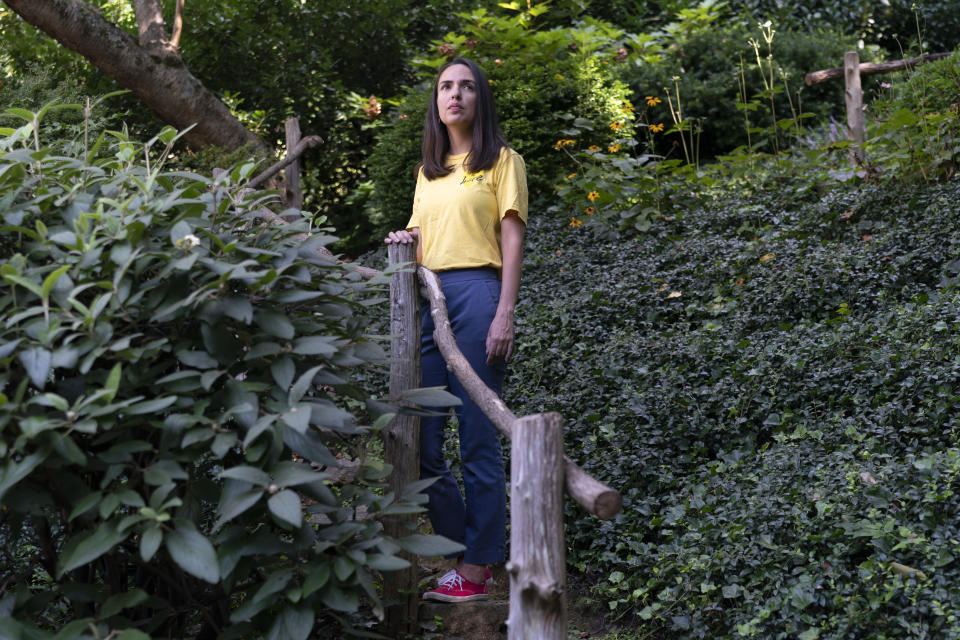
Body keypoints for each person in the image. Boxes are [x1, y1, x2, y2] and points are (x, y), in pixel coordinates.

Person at [384, 57, 528, 603]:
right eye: (446, 86)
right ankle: (456, 554)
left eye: (467, 86)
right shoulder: (429, 170)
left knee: (476, 436)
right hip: (429, 298)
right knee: (419, 435)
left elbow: (511, 238)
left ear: (479, 100)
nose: (456, 94)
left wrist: (504, 312)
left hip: (477, 294)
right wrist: (406, 237)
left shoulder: (502, 161)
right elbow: (422, 236)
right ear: (437, 102)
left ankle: (480, 564)